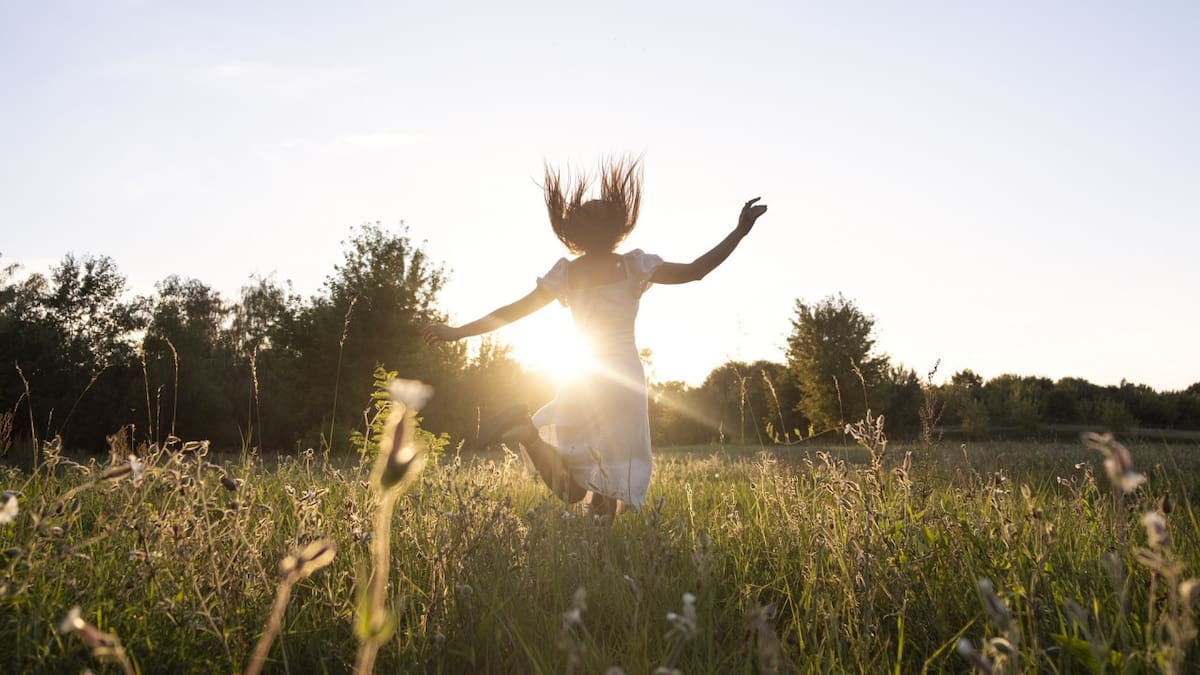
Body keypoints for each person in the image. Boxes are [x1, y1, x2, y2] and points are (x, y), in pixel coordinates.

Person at [422, 157, 767, 515]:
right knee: (608, 477)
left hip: (582, 379)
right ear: (619, 228)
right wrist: (739, 231)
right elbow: (697, 271)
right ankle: (596, 545)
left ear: (576, 233)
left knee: (577, 486)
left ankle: (526, 433)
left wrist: (459, 332)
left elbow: (513, 311)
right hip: (623, 381)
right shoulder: (634, 266)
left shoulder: (567, 274)